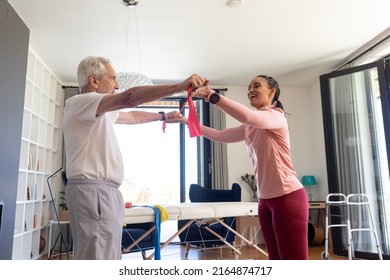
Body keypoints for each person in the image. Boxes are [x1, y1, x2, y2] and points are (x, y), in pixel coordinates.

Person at [62, 56, 208, 260]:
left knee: (106, 254)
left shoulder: (98, 110)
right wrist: (180, 87)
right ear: (94, 81)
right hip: (94, 190)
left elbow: (130, 116)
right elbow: (129, 98)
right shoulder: (82, 102)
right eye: (113, 78)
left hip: (100, 191)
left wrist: (163, 116)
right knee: (98, 257)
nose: (117, 84)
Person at [169, 75, 309, 260]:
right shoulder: (249, 126)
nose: (250, 90)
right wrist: (187, 122)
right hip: (265, 201)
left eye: (256, 86)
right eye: (249, 87)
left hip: (287, 196)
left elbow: (249, 115)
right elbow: (219, 135)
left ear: (272, 91)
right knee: (275, 259)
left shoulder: (276, 117)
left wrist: (212, 96)